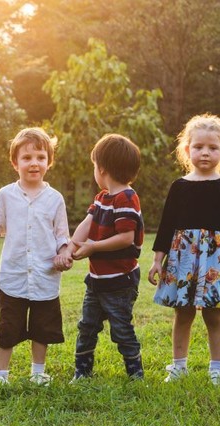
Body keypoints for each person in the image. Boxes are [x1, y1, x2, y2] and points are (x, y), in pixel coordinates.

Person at [148, 114, 220, 386]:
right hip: (182, 256)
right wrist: (157, 260)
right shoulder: (179, 186)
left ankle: (217, 369)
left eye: (212, 148)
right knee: (183, 313)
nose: (205, 153)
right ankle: (178, 367)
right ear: (187, 150)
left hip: (215, 259)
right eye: (198, 147)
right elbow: (166, 226)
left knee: (213, 313)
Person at [0, 128, 73, 387]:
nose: (34, 163)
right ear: (15, 163)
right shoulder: (6, 194)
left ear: (49, 161)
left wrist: (64, 255)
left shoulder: (55, 199)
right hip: (13, 276)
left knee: (42, 328)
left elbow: (62, 235)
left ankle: (38, 373)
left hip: (45, 276)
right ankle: (1, 375)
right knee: (8, 327)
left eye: (40, 157)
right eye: (26, 158)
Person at [70, 134, 145, 380]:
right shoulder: (102, 198)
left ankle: (135, 373)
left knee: (122, 329)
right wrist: (70, 247)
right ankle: (82, 372)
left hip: (120, 282)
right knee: (87, 326)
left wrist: (93, 247)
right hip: (97, 280)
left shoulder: (127, 198)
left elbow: (126, 238)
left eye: (93, 166)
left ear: (101, 169)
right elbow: (87, 222)